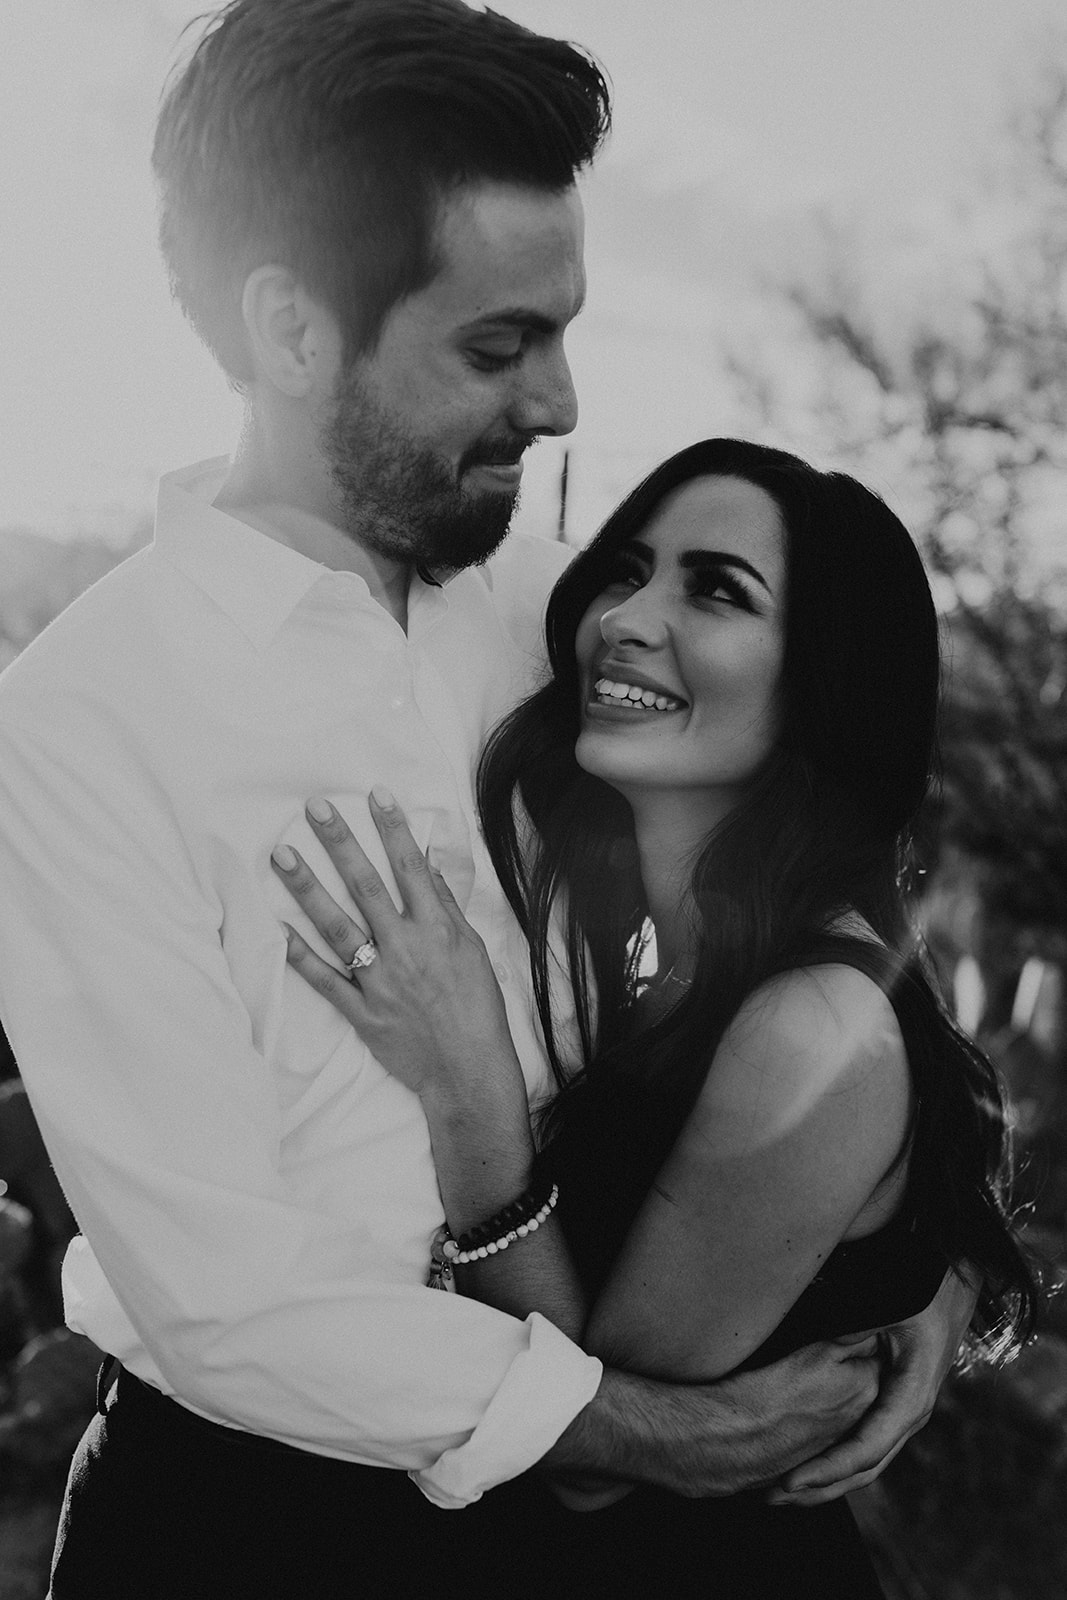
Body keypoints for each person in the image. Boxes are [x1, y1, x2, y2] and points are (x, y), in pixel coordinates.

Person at [0, 3, 973, 1594]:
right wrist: (647, 1431)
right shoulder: (76, 727)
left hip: (588, 1490)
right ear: (292, 332)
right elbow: (228, 1300)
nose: (562, 404)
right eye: (496, 346)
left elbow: (805, 880)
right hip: (256, 1523)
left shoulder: (553, 618)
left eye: (565, 329)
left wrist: (884, 1262)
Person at [276, 438, 1037, 1598]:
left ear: (823, 679)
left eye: (716, 590)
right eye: (626, 570)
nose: (626, 617)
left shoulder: (808, 1020)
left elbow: (588, 1464)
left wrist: (468, 1094)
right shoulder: (667, 960)